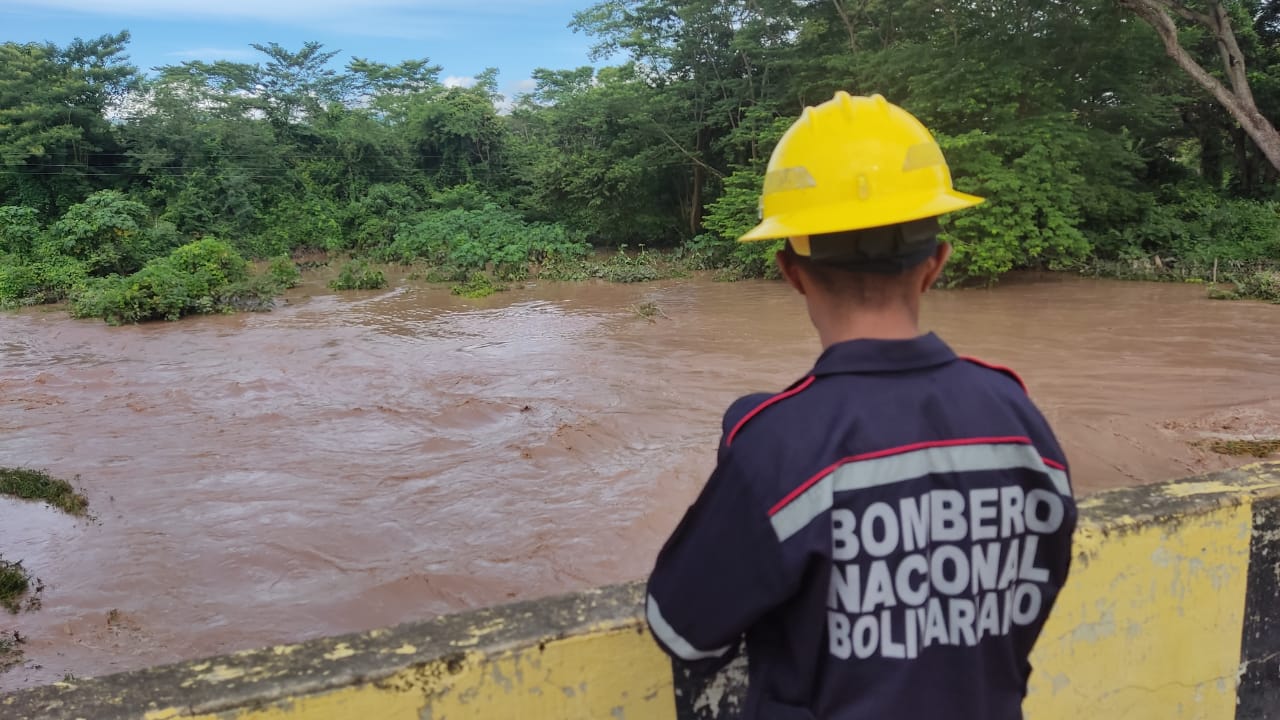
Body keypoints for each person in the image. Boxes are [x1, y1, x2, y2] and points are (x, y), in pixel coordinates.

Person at [644, 92, 1078, 720]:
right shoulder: (1019, 420)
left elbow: (679, 626)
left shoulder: (778, 445)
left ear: (790, 271)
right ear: (936, 265)